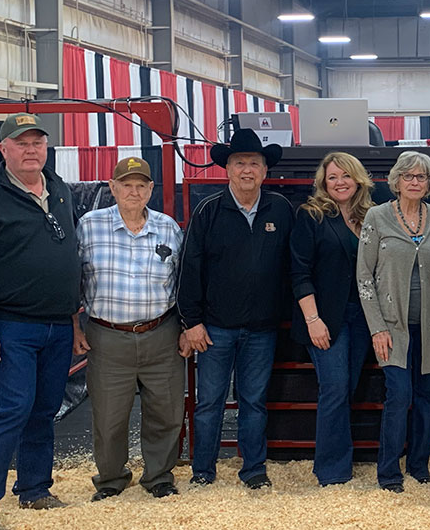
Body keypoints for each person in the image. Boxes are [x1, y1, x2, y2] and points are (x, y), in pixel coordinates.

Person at [0, 113, 81, 530]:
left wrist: (74, 320)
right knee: (11, 409)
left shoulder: (58, 190)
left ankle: (35, 487)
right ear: (2, 150)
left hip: (58, 324)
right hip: (11, 325)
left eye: (37, 142)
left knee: (43, 409)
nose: (31, 150)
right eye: (21, 143)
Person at [177, 128, 293, 489]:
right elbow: (189, 269)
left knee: (254, 402)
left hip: (263, 328)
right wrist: (191, 322)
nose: (247, 170)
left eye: (254, 163)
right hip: (214, 328)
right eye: (240, 163)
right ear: (227, 169)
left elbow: (294, 266)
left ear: (264, 170)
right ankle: (203, 471)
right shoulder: (209, 211)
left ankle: (254, 470)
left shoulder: (282, 209)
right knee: (209, 402)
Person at [73, 157, 186, 502]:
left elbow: (183, 281)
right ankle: (110, 479)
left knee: (166, 410)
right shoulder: (89, 226)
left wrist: (185, 326)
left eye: (141, 185)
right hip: (108, 335)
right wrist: (73, 325)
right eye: (126, 184)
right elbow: (70, 279)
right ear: (112, 187)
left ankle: (159, 476)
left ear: (151, 189)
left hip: (161, 332)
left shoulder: (169, 228)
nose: (133, 192)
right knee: (108, 414)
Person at [357, 151, 430, 493]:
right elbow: (364, 276)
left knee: (426, 398)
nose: (414, 182)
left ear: (429, 183)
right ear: (395, 181)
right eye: (408, 176)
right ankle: (389, 473)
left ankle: (420, 467)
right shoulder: (377, 217)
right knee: (399, 396)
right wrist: (376, 327)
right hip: (391, 327)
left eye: (421, 177)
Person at [290, 152, 375, 487]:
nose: (339, 182)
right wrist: (313, 319)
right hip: (325, 319)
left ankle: (341, 461)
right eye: (332, 177)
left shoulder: (371, 216)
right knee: (335, 388)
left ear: (358, 179)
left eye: (345, 176)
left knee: (347, 389)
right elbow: (299, 272)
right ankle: (331, 472)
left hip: (363, 318)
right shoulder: (312, 216)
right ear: (323, 183)